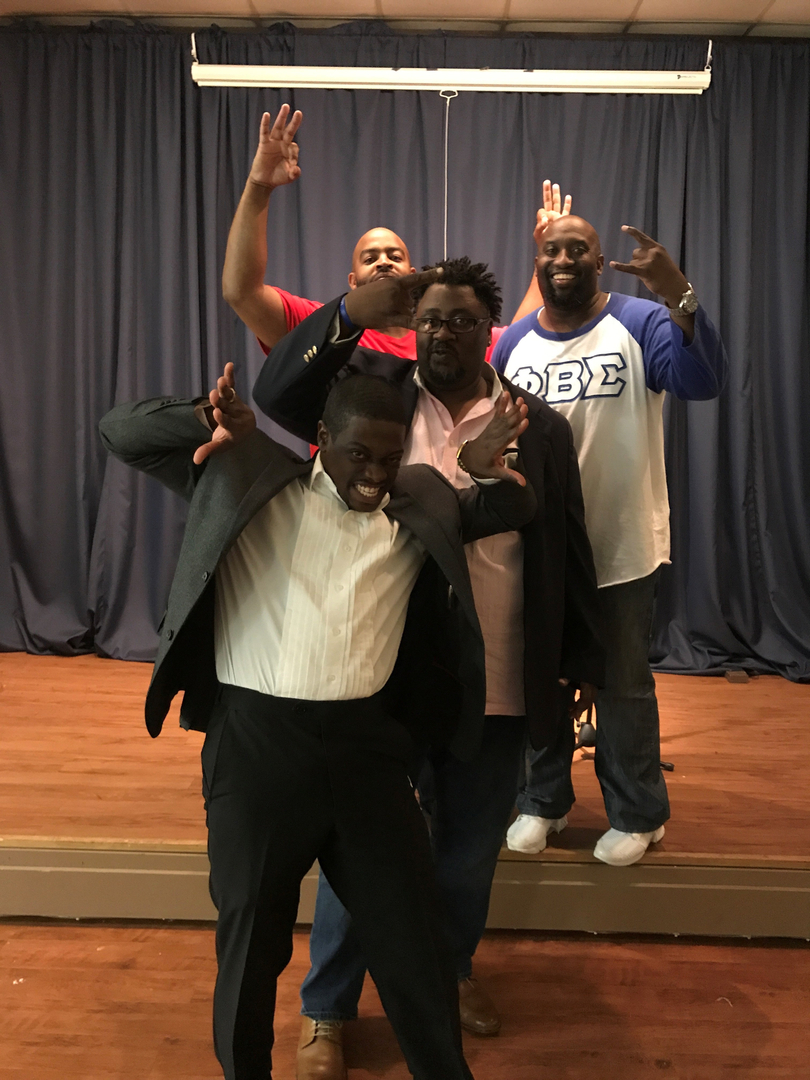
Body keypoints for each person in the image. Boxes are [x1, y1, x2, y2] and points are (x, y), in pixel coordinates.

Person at [99, 349, 536, 1080]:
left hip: (370, 753)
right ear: (322, 440)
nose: (375, 474)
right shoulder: (247, 477)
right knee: (250, 944)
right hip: (258, 750)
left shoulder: (420, 497)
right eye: (359, 454)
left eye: (389, 458)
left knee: (414, 943)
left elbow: (510, 509)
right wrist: (203, 418)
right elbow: (120, 432)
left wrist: (485, 470)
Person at [253, 261, 604, 1078]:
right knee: (359, 853)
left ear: (491, 331)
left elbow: (565, 546)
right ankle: (327, 1008)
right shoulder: (377, 403)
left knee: (469, 851)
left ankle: (450, 974)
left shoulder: (539, 427)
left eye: (461, 320)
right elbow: (277, 395)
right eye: (431, 319)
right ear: (413, 328)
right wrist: (347, 312)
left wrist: (575, 660)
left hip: (501, 677)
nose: (443, 332)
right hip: (383, 676)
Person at [491, 215, 729, 868]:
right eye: (552, 250)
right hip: (540, 548)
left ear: (600, 262)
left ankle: (638, 812)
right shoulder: (514, 343)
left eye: (579, 249)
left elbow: (703, 381)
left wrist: (678, 293)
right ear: (537, 263)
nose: (564, 259)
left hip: (621, 543)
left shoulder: (639, 321)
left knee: (623, 685)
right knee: (539, 678)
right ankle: (542, 800)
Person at [221, 104, 562, 362]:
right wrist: (259, 186)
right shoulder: (322, 328)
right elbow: (241, 292)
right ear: (353, 282)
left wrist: (548, 253)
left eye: (394, 256)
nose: (383, 262)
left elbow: (520, 340)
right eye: (370, 258)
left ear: (413, 275)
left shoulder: (450, 334)